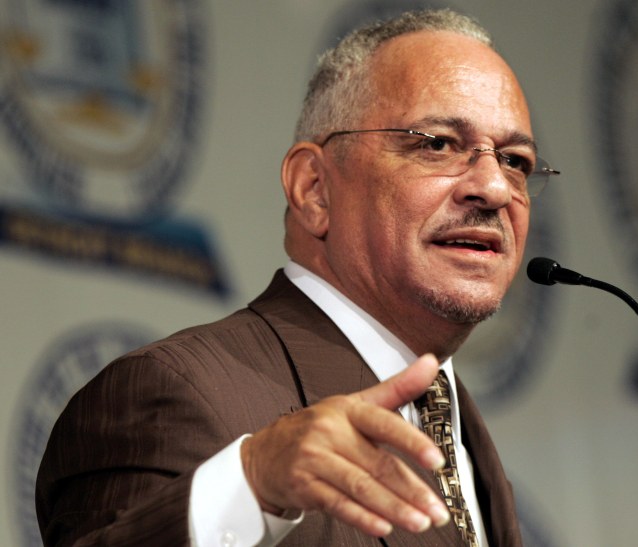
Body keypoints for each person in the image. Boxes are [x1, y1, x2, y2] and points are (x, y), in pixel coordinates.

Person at [36, 8, 558, 547]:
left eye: (516, 160)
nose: (494, 188)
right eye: (437, 143)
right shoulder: (173, 394)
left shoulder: (458, 430)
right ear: (313, 188)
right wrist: (249, 487)